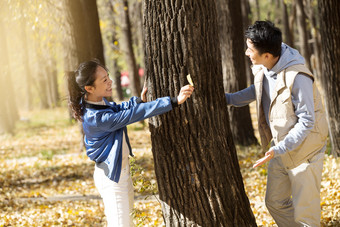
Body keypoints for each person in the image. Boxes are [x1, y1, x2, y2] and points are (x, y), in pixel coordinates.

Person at [67, 59, 194, 227]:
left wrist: (138, 102)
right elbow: (129, 116)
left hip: (121, 173)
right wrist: (173, 101)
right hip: (112, 179)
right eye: (104, 80)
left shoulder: (98, 103)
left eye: (108, 77)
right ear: (89, 88)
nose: (110, 82)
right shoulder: (95, 117)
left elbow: (118, 109)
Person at [225, 21, 328, 227]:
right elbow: (256, 91)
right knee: (275, 202)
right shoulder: (264, 67)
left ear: (267, 55)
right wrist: (225, 99)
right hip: (281, 149)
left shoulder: (297, 77)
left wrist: (279, 148)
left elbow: (307, 120)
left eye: (250, 49)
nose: (247, 53)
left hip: (305, 151)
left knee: (306, 216)